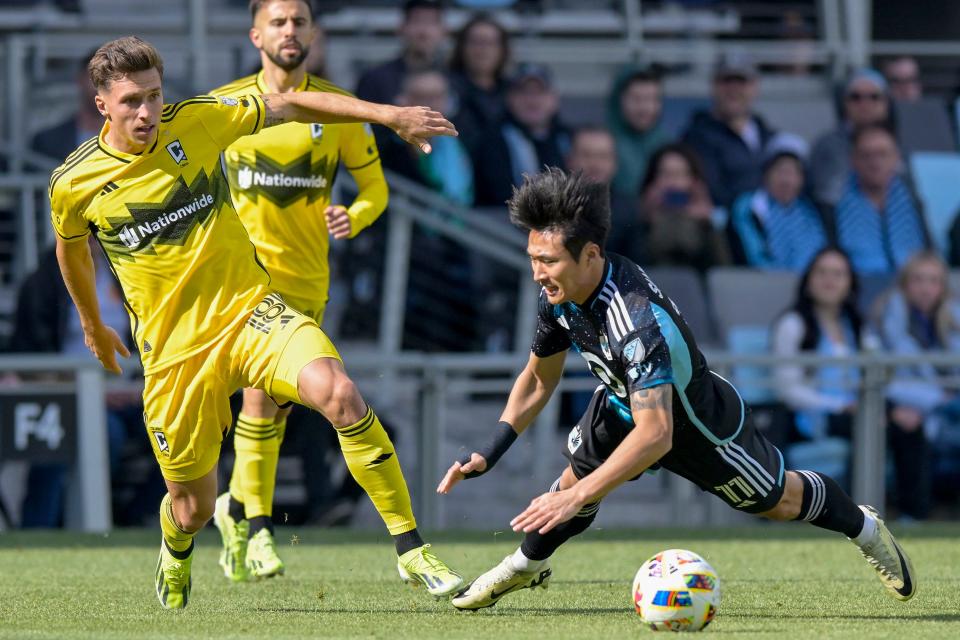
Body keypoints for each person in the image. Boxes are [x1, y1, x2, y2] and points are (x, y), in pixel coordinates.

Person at [50, 35, 462, 610]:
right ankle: (176, 542)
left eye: (154, 96)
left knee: (340, 393)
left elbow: (289, 103)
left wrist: (386, 115)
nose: (146, 112)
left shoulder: (197, 122)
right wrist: (92, 323)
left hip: (252, 314)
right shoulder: (74, 183)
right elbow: (71, 250)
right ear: (102, 105)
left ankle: (411, 549)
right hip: (175, 355)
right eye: (130, 102)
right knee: (194, 506)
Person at [437, 168, 916, 610]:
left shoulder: (637, 322)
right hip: (626, 405)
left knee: (778, 503)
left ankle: (864, 526)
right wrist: (491, 449)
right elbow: (540, 377)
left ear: (590, 255)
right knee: (570, 484)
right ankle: (525, 566)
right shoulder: (558, 295)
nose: (538, 273)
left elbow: (657, 435)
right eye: (533, 259)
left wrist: (579, 495)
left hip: (697, 425)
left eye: (547, 261)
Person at [206, 0, 399, 582]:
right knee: (262, 400)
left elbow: (376, 191)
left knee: (268, 406)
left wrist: (354, 216)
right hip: (241, 283)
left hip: (306, 281)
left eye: (299, 22)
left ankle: (235, 515)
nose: (290, 31)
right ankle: (258, 527)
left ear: (313, 32)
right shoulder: (225, 106)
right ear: (255, 34)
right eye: (279, 21)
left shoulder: (337, 111)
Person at [877, 250, 960, 520]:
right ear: (904, 284)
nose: (926, 288)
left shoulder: (952, 319)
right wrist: (938, 400)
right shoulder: (885, 320)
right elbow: (886, 380)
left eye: (934, 281)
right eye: (918, 280)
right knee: (911, 426)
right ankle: (911, 517)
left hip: (947, 412)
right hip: (903, 408)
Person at [771, 247, 863, 489]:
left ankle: (909, 512)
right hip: (812, 416)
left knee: (899, 420)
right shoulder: (792, 324)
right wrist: (839, 406)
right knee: (867, 424)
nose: (829, 280)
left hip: (854, 411)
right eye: (821, 272)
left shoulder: (855, 324)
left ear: (850, 282)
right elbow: (788, 390)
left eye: (838, 273)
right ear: (808, 280)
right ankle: (856, 507)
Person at [609, 143, 728, 274]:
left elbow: (722, 270)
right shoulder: (634, 219)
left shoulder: (706, 224)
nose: (673, 183)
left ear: (695, 181)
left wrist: (708, 224)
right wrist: (643, 220)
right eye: (666, 174)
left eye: (681, 174)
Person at [682, 52, 776, 209]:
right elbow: (714, 193)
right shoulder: (696, 138)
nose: (733, 89)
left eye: (741, 81)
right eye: (726, 81)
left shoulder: (769, 136)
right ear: (713, 86)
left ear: (755, 87)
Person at [472, 63, 571, 208]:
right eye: (523, 92)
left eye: (540, 92)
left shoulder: (569, 140)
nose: (532, 100)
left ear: (554, 99)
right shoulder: (491, 142)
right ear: (509, 98)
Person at [835, 124, 928, 276]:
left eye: (882, 154)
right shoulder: (835, 206)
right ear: (853, 161)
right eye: (866, 155)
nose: (874, 163)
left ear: (896, 158)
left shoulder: (915, 201)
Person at [729, 135, 829, 271]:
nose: (787, 181)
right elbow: (753, 254)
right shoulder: (749, 206)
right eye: (781, 171)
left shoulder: (809, 212)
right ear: (766, 173)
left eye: (794, 173)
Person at [809, 69, 891, 206]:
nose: (865, 104)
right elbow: (825, 196)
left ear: (886, 103)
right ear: (844, 103)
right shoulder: (826, 146)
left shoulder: (903, 141)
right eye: (856, 97)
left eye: (874, 96)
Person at [355, 0, 446, 106]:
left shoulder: (457, 82)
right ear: (401, 28)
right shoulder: (374, 81)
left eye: (432, 22)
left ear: (444, 31)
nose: (423, 32)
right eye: (416, 21)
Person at [448, 12, 511, 154]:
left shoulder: (513, 93)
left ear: (503, 50)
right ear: (462, 47)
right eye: (476, 42)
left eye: (490, 43)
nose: (483, 49)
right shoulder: (445, 89)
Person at [606, 66, 670, 202]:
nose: (645, 108)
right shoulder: (602, 144)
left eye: (652, 99)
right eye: (636, 99)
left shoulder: (669, 146)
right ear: (619, 100)